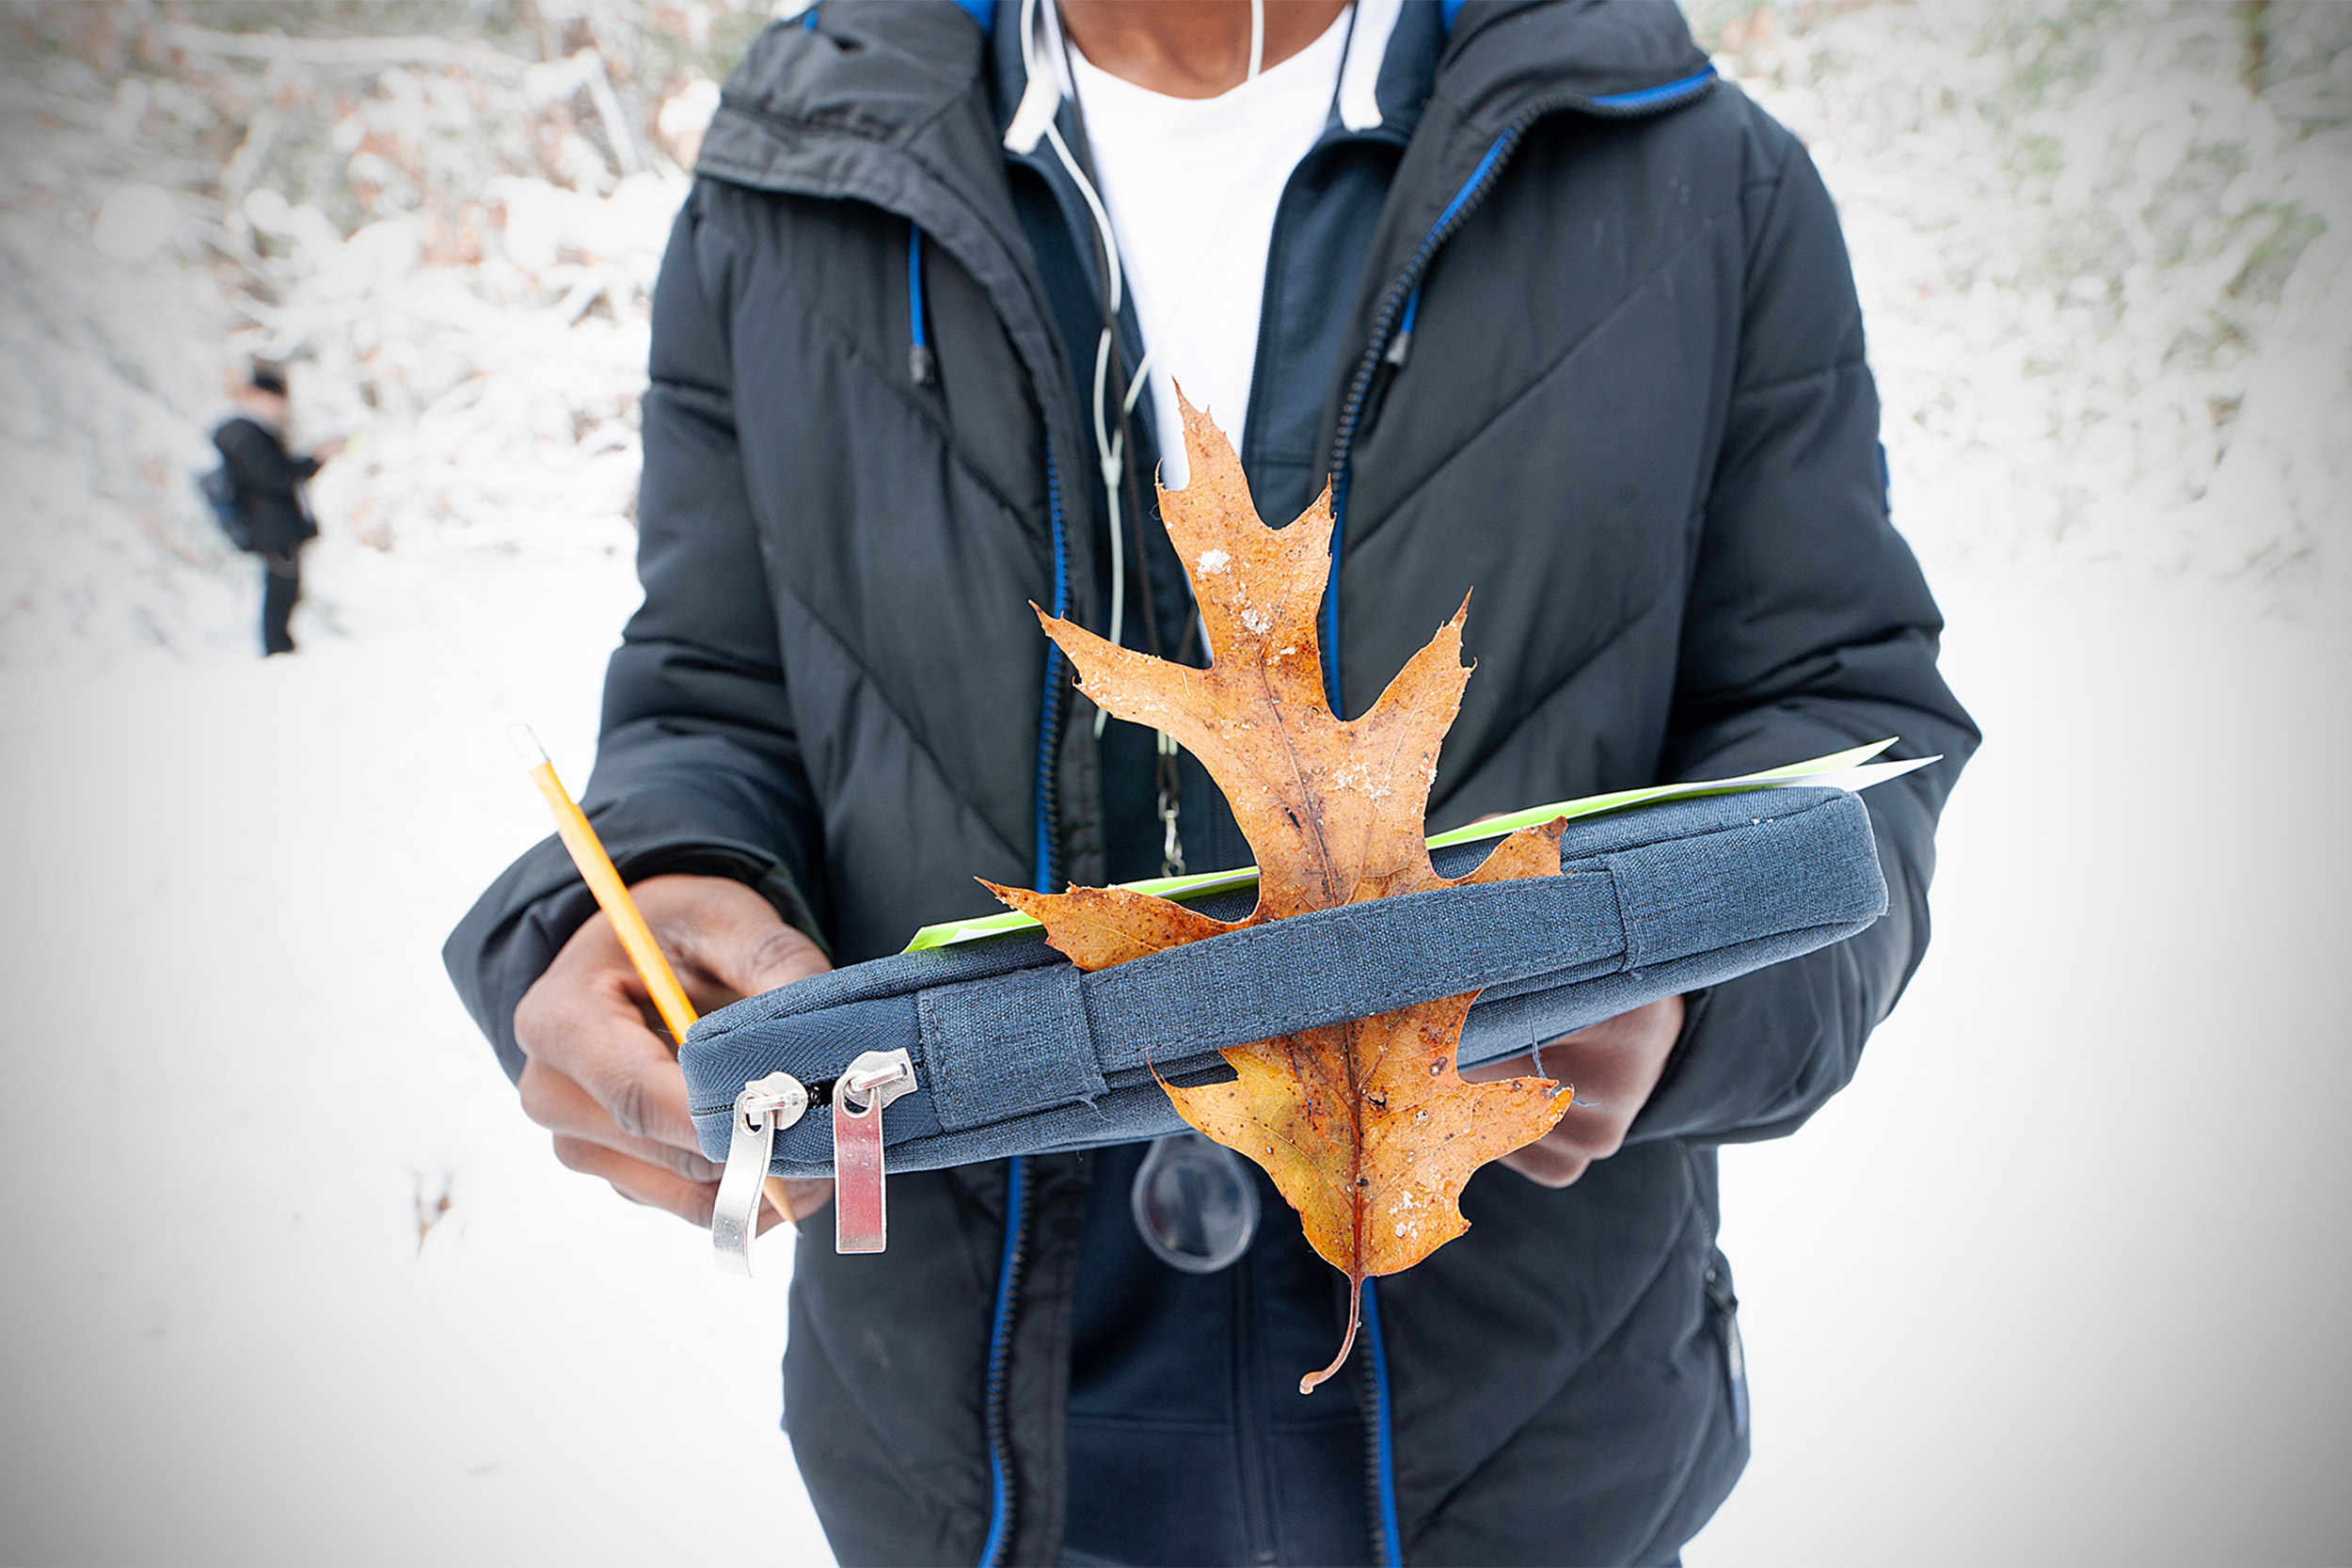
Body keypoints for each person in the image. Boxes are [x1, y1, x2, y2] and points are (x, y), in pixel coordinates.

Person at [445, 1, 1979, 1563]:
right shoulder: (794, 183)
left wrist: (1694, 983)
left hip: (1527, 1425)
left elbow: (1842, 711)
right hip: (959, 1444)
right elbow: (715, 693)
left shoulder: (1687, 168)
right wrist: (647, 894)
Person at [212, 362, 341, 657]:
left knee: (284, 587)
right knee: (281, 588)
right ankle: (278, 652)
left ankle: (280, 650)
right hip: (270, 526)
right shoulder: (246, 433)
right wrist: (316, 459)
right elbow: (276, 476)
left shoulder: (244, 431)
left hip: (269, 524)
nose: (282, 408)